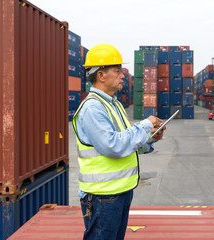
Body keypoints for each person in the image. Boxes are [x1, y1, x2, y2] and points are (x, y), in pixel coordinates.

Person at [72, 43, 165, 240]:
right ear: (101, 75)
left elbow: (126, 141)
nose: (123, 75)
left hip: (119, 192)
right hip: (102, 196)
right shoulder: (92, 108)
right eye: (117, 70)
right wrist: (146, 125)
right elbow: (112, 146)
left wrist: (149, 139)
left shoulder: (113, 104)